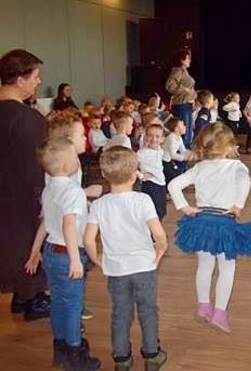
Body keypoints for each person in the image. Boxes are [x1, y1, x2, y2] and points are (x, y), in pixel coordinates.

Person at [168, 123, 251, 333]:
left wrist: (185, 207)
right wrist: (239, 205)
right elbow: (244, 182)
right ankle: (219, 313)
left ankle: (203, 306)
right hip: (224, 222)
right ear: (228, 147)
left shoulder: (200, 167)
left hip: (202, 222)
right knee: (227, 268)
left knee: (204, 265)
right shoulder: (236, 166)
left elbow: (173, 185)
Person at [83, 146, 168, 371]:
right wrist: (160, 250)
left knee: (120, 313)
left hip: (116, 270)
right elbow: (159, 234)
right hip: (144, 266)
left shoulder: (99, 205)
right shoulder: (143, 200)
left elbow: (88, 240)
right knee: (148, 310)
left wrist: (97, 259)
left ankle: (122, 359)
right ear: (134, 174)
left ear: (104, 174)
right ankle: (152, 354)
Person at [24, 137, 101, 370]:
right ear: (68, 165)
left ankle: (60, 348)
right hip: (68, 254)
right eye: (75, 156)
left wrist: (35, 252)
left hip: (50, 252)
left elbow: (45, 223)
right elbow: (69, 225)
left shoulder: (49, 190)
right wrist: (75, 260)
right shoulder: (73, 191)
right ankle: (75, 353)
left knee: (58, 302)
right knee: (73, 306)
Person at [0, 49, 51, 321]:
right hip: (22, 195)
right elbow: (36, 164)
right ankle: (33, 298)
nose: (38, 82)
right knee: (29, 242)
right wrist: (45, 197)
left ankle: (21, 295)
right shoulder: (28, 119)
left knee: (10, 243)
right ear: (20, 80)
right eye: (35, 77)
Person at [165, 48, 197, 147]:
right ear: (181, 60)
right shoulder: (178, 70)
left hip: (186, 104)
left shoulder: (184, 71)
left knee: (187, 133)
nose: (189, 60)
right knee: (184, 133)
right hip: (181, 105)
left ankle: (184, 154)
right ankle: (181, 155)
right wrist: (184, 90)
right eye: (187, 58)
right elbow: (169, 86)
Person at [138, 123, 167, 221]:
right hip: (150, 184)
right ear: (145, 137)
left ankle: (156, 226)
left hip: (161, 183)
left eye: (157, 136)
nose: (154, 139)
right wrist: (140, 175)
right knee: (153, 210)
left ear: (162, 139)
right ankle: (152, 228)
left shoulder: (160, 150)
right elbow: (131, 165)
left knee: (162, 209)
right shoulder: (142, 153)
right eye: (150, 135)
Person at [162, 117, 191, 184]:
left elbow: (183, 150)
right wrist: (185, 158)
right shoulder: (171, 138)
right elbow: (173, 155)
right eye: (182, 125)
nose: (185, 126)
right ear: (176, 129)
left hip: (169, 161)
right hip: (164, 161)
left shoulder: (178, 137)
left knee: (177, 174)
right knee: (172, 177)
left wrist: (192, 154)